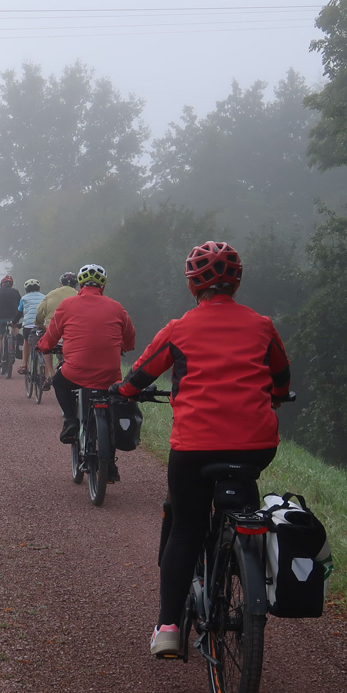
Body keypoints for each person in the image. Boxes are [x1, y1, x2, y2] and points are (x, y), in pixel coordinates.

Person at [109, 242, 291, 657]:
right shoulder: (262, 326)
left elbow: (138, 376)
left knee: (187, 528)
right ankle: (245, 563)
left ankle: (169, 627)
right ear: (238, 281)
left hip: (194, 448)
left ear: (193, 283)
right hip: (256, 446)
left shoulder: (179, 328)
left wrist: (123, 390)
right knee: (244, 509)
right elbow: (281, 376)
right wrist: (276, 397)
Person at [36, 264, 135, 450]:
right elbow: (130, 337)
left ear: (80, 286)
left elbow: (51, 336)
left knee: (59, 382)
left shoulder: (67, 305)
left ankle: (71, 420)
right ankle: (110, 465)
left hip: (75, 373)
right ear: (103, 287)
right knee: (111, 404)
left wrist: (41, 346)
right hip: (109, 375)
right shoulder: (117, 307)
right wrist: (125, 347)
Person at [34, 272, 79, 384]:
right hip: (73, 335)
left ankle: (51, 374)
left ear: (61, 284)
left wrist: (39, 323)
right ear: (76, 285)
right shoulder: (79, 295)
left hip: (53, 333)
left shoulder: (51, 294)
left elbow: (40, 311)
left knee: (45, 347)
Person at [17, 279, 46, 375]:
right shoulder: (44, 297)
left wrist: (14, 322)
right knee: (44, 342)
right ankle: (44, 369)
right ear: (39, 288)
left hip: (28, 326)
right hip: (42, 325)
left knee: (26, 341)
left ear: (26, 290)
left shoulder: (24, 298)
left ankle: (24, 364)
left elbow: (20, 313)